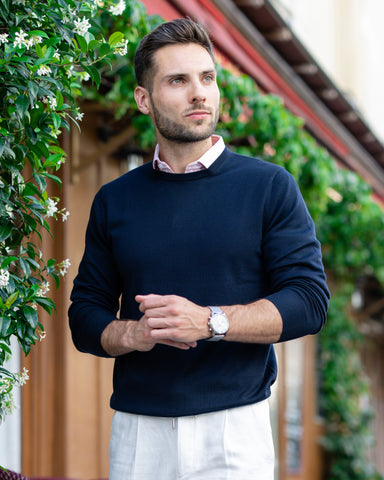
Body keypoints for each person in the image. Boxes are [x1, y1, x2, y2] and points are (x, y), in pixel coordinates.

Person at [68, 18, 330, 480]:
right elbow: (85, 316)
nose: (199, 93)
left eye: (207, 78)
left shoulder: (269, 186)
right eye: (178, 80)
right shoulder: (115, 199)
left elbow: (309, 302)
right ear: (144, 99)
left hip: (232, 429)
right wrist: (135, 334)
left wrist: (210, 321)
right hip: (138, 431)